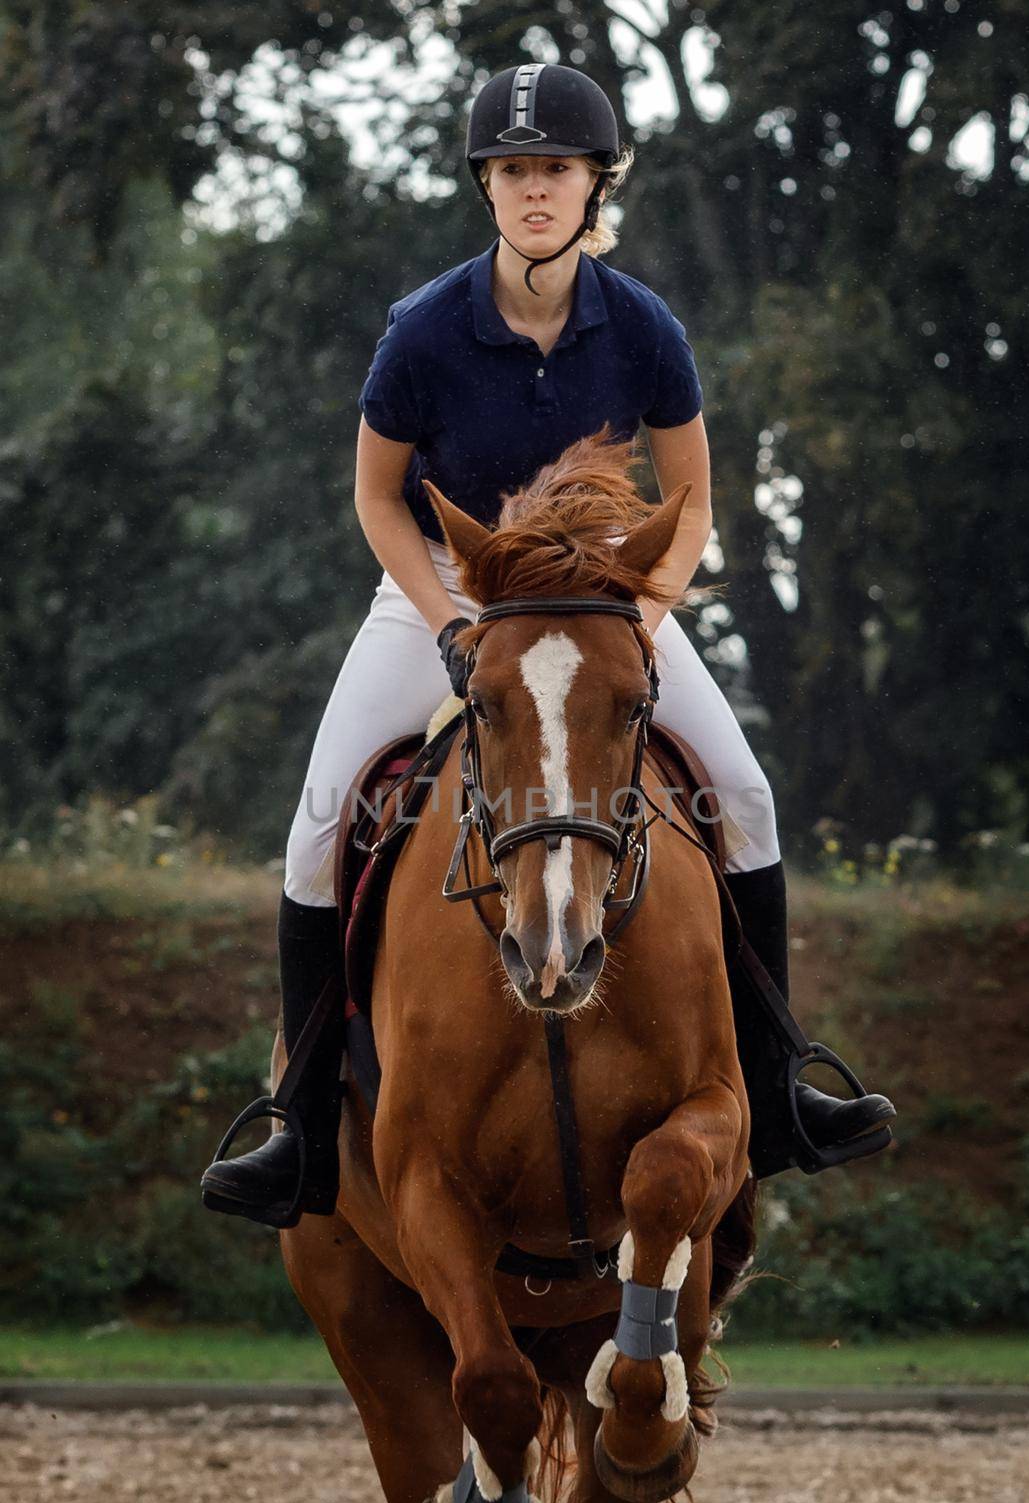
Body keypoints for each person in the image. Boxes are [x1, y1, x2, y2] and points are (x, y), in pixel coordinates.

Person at [200, 62, 895, 1230]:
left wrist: (644, 622)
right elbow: (378, 500)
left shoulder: (645, 327)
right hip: (447, 593)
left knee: (745, 792)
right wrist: (448, 621)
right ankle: (302, 1127)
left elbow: (693, 507)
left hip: (607, 605)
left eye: (555, 170)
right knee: (319, 820)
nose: (534, 189)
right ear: (488, 186)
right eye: (514, 169)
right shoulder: (424, 330)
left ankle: (778, 1095)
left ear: (592, 186)